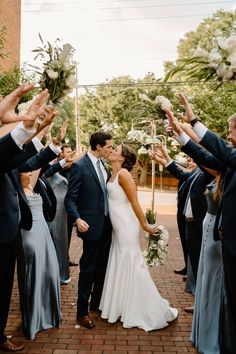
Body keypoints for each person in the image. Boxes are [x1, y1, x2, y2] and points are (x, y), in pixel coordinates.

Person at [170, 94, 236, 353]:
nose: (229, 136)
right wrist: (181, 136)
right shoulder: (231, 161)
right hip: (228, 242)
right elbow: (207, 157)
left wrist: (193, 121)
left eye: (231, 131)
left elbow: (218, 149)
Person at [99, 144, 178, 330]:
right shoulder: (112, 172)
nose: (112, 151)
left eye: (116, 150)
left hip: (126, 225)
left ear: (123, 158)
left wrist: (145, 225)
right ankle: (120, 305)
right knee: (121, 261)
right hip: (117, 226)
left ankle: (146, 309)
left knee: (132, 264)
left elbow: (134, 201)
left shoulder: (124, 175)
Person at [0, 90, 55, 352]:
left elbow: (21, 160)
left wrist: (39, 132)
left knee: (4, 288)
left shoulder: (6, 148)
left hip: (9, 228)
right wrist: (25, 127)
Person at [65, 131, 113, 329]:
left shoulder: (104, 166)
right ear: (98, 146)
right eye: (109, 146)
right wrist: (77, 218)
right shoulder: (79, 166)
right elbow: (70, 198)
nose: (110, 149)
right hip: (90, 227)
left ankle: (96, 303)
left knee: (102, 268)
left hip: (108, 227)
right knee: (87, 269)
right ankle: (81, 312)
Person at [17, 169, 61, 340]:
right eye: (25, 172)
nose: (29, 175)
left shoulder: (31, 185)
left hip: (43, 234)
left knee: (50, 271)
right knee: (34, 274)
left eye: (30, 172)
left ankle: (49, 315)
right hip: (29, 235)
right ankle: (34, 320)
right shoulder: (16, 189)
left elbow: (39, 163)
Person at [59, 143, 78, 266]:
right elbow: (65, 166)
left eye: (71, 151)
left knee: (68, 234)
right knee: (61, 234)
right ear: (61, 154)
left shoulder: (71, 167)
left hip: (70, 206)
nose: (70, 153)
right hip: (59, 207)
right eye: (67, 152)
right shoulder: (58, 165)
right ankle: (61, 259)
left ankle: (65, 257)